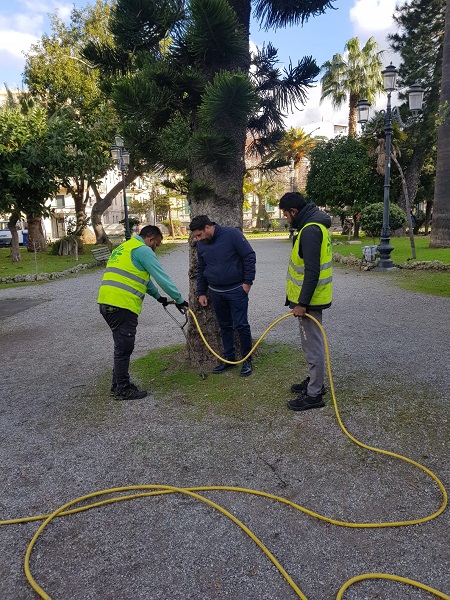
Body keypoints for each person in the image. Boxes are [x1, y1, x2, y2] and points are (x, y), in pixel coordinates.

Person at [98, 225, 188, 400]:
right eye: (158, 243)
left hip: (106, 303)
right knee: (124, 348)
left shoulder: (125, 247)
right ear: (151, 239)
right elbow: (162, 277)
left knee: (120, 346)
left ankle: (117, 384)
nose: (158, 247)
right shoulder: (143, 250)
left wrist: (159, 298)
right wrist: (179, 299)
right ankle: (123, 389)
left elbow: (141, 278)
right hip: (122, 305)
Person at [279, 192, 332, 411]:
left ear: (294, 211)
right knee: (311, 343)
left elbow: (312, 272)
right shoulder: (314, 225)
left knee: (312, 346)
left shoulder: (310, 230)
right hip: (311, 298)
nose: (286, 218)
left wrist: (301, 303)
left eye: (285, 214)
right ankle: (314, 382)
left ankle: (314, 395)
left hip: (310, 301)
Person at [189, 215, 256, 377]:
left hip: (236, 290)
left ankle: (247, 360)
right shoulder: (201, 245)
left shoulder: (232, 235)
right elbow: (201, 268)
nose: (197, 239)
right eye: (196, 237)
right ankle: (228, 358)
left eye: (199, 235)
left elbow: (249, 256)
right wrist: (201, 292)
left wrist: (247, 283)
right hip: (216, 292)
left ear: (207, 227)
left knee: (241, 325)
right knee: (224, 326)